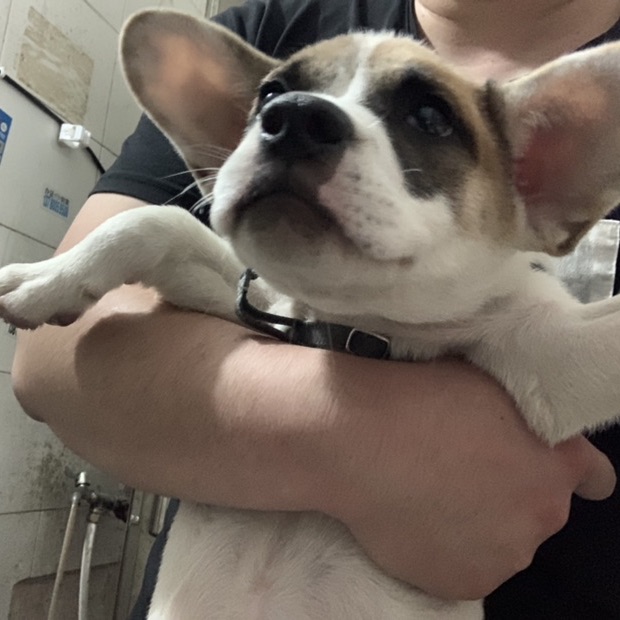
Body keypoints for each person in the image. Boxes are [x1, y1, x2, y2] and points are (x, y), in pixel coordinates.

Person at [11, 0, 620, 617]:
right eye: (272, 102)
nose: (295, 121)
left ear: (537, 185)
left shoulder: (521, 320)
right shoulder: (278, 20)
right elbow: (51, 360)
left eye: (429, 119)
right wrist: (375, 444)